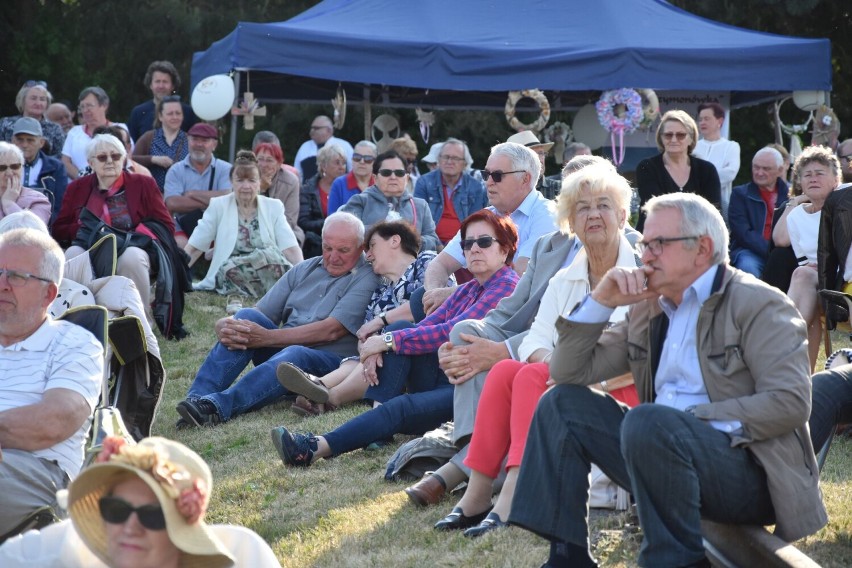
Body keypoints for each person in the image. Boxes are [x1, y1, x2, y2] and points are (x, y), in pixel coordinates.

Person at [509, 192, 826, 568]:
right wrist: (600, 301)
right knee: (561, 403)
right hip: (657, 448)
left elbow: (789, 402)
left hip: (747, 471)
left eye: (658, 243)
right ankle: (568, 557)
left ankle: (676, 561)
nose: (645, 255)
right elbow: (566, 370)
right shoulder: (650, 306)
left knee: (651, 420)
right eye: (644, 243)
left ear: (702, 248)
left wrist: (685, 421)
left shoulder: (760, 303)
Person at [404, 156, 627, 508]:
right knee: (466, 332)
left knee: (511, 367)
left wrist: (503, 349)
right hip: (538, 343)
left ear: (620, 208)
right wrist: (461, 343)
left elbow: (580, 332)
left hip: (577, 359)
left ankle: (466, 470)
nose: (588, 213)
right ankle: (476, 454)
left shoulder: (631, 252)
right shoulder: (549, 245)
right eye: (577, 203)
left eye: (599, 202)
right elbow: (510, 308)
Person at [270, 209, 520, 467]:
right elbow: (427, 324)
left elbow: (452, 331)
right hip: (444, 374)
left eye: (484, 242)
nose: (474, 249)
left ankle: (312, 448)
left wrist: (385, 341)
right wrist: (383, 341)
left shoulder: (507, 286)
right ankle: (378, 425)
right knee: (399, 328)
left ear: (505, 250)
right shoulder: (469, 288)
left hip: (468, 392)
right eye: (467, 243)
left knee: (400, 405)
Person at [175, 212, 379, 427]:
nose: (333, 256)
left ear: (361, 248)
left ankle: (217, 407)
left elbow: (331, 331)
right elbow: (260, 313)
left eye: (343, 250)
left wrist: (266, 337)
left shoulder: (367, 276)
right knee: (245, 318)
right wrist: (226, 323)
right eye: (327, 248)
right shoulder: (304, 268)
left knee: (294, 354)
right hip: (284, 353)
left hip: (331, 364)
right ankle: (196, 400)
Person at [0, 436, 281, 566]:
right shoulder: (63, 551)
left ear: (180, 532)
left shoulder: (247, 554)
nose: (131, 526)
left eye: (152, 515)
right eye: (116, 510)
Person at [0, 228, 101, 539]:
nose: (2, 285)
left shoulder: (74, 344)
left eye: (16, 276)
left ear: (49, 294)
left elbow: (54, 421)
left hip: (37, 471)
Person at [278, 221, 437, 416]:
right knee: (354, 360)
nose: (367, 255)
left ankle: (328, 398)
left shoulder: (428, 262)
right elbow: (363, 337)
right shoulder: (380, 292)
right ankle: (317, 385)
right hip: (379, 355)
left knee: (385, 347)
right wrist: (370, 349)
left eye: (372, 246)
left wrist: (381, 326)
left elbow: (427, 302)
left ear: (395, 241)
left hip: (422, 350)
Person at [419, 141, 558, 314]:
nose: (489, 182)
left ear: (525, 179)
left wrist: (450, 294)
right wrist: (434, 295)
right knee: (420, 298)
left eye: (497, 175)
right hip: (485, 310)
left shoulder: (546, 214)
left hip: (520, 317)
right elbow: (439, 264)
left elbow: (517, 279)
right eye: (486, 174)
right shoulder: (487, 216)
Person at [53, 134, 174, 311]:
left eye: (115, 156)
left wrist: (134, 234)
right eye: (102, 157)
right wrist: (86, 229)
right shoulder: (77, 188)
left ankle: (138, 316)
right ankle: (75, 313)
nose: (110, 161)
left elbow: (166, 225)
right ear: (91, 163)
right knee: (72, 254)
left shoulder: (143, 184)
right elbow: (59, 229)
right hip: (90, 245)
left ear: (123, 159)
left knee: (131, 258)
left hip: (132, 246)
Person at [185, 150, 302, 297]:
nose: (246, 186)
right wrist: (174, 276)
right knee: (228, 269)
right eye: (240, 180)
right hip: (230, 272)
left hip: (267, 268)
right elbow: (195, 247)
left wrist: (302, 278)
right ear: (232, 182)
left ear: (260, 183)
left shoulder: (274, 206)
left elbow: (290, 249)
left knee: (276, 263)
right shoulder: (218, 205)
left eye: (252, 180)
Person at [772, 146, 840, 371]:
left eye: (820, 173)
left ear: (835, 178)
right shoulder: (796, 217)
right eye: (807, 175)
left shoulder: (846, 206)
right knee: (803, 276)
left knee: (803, 277)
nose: (813, 178)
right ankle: (802, 380)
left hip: (844, 278)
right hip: (816, 283)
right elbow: (801, 259)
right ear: (799, 182)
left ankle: (783, 349)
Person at [635, 109, 721, 231]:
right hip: (655, 235)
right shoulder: (647, 167)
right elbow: (655, 208)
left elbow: (713, 211)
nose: (674, 140)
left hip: (697, 235)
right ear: (661, 138)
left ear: (691, 138)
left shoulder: (707, 170)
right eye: (668, 135)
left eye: (681, 135)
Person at [340, 150, 439, 251]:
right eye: (386, 173)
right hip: (367, 264)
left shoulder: (421, 206)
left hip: (411, 264)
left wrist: (410, 239)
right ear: (375, 178)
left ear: (407, 177)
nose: (393, 177)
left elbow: (433, 240)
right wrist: (386, 231)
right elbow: (346, 233)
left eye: (399, 173)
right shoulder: (360, 201)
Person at [163, 123, 232, 247]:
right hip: (182, 225)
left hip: (217, 226)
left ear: (214, 145)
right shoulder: (175, 170)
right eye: (195, 139)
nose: (199, 144)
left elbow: (229, 198)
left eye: (205, 140)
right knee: (182, 247)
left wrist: (191, 194)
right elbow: (172, 203)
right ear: (188, 142)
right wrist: (215, 201)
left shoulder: (226, 169)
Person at [728, 147, 789, 277]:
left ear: (779, 171)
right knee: (748, 266)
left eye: (766, 169)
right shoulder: (740, 194)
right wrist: (770, 251)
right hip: (749, 251)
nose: (759, 172)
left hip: (783, 252)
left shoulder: (791, 195)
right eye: (756, 167)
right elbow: (743, 233)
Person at [414, 138, 487, 246]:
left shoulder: (475, 187)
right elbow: (418, 222)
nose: (449, 162)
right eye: (446, 157)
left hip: (463, 245)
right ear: (438, 160)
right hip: (430, 245)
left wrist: (454, 250)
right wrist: (438, 246)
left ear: (464, 163)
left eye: (455, 158)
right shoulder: (424, 183)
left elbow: (475, 225)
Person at [61, 87, 128, 181]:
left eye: (89, 105)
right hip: (80, 186)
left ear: (104, 106)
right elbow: (65, 162)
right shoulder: (74, 132)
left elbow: (127, 158)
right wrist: (84, 179)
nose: (85, 110)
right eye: (82, 106)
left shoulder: (120, 129)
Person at [10, 118, 66, 223]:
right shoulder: (3, 166)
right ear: (13, 141)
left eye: (30, 140)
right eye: (20, 139)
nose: (25, 145)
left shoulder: (56, 167)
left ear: (41, 142)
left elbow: (59, 205)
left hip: (44, 227)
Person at [298, 143, 348, 258]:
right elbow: (303, 222)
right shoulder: (308, 189)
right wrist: (329, 222)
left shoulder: (349, 188)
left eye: (344, 163)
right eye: (337, 163)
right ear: (324, 166)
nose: (342, 167)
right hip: (317, 242)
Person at [692, 102, 741, 219]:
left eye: (707, 119)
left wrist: (704, 182)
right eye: (701, 119)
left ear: (720, 121)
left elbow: (730, 173)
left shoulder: (731, 146)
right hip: (694, 204)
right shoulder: (693, 147)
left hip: (721, 205)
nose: (702, 122)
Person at [132, 95, 189, 192]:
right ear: (160, 116)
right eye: (170, 114)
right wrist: (153, 159)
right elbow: (131, 161)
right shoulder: (149, 137)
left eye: (178, 113)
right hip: (152, 197)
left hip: (181, 198)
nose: (175, 117)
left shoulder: (189, 139)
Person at [127, 60, 195, 141]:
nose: (161, 86)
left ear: (173, 86)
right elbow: (131, 146)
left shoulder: (187, 112)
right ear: (150, 85)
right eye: (157, 81)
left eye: (165, 82)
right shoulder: (138, 113)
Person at [254, 142, 304, 246]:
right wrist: (260, 190)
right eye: (260, 159)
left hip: (281, 230)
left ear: (279, 163)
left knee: (294, 239)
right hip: (250, 230)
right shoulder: (245, 179)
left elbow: (290, 219)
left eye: (269, 160)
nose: (263, 165)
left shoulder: (291, 181)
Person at [0, 81, 65, 158]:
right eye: (33, 98)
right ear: (23, 100)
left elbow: (59, 158)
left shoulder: (55, 129)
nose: (38, 103)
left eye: (42, 99)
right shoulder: (6, 124)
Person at [0, 142, 51, 225]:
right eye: (2, 168)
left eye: (15, 166)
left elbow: (32, 231)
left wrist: (9, 204)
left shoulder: (38, 200)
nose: (9, 173)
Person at [293, 115, 354, 180]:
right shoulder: (304, 147)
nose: (312, 131)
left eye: (316, 128)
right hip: (309, 189)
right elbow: (297, 174)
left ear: (329, 130)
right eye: (312, 128)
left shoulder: (344, 146)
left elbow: (353, 171)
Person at [507, 131, 560, 200]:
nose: (539, 160)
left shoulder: (559, 189)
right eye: (532, 155)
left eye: (541, 153)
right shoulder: (504, 193)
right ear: (516, 162)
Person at [327, 140, 377, 214]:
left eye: (368, 159)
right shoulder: (339, 184)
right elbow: (332, 217)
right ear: (352, 159)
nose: (362, 162)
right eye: (357, 157)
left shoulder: (380, 184)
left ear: (375, 162)